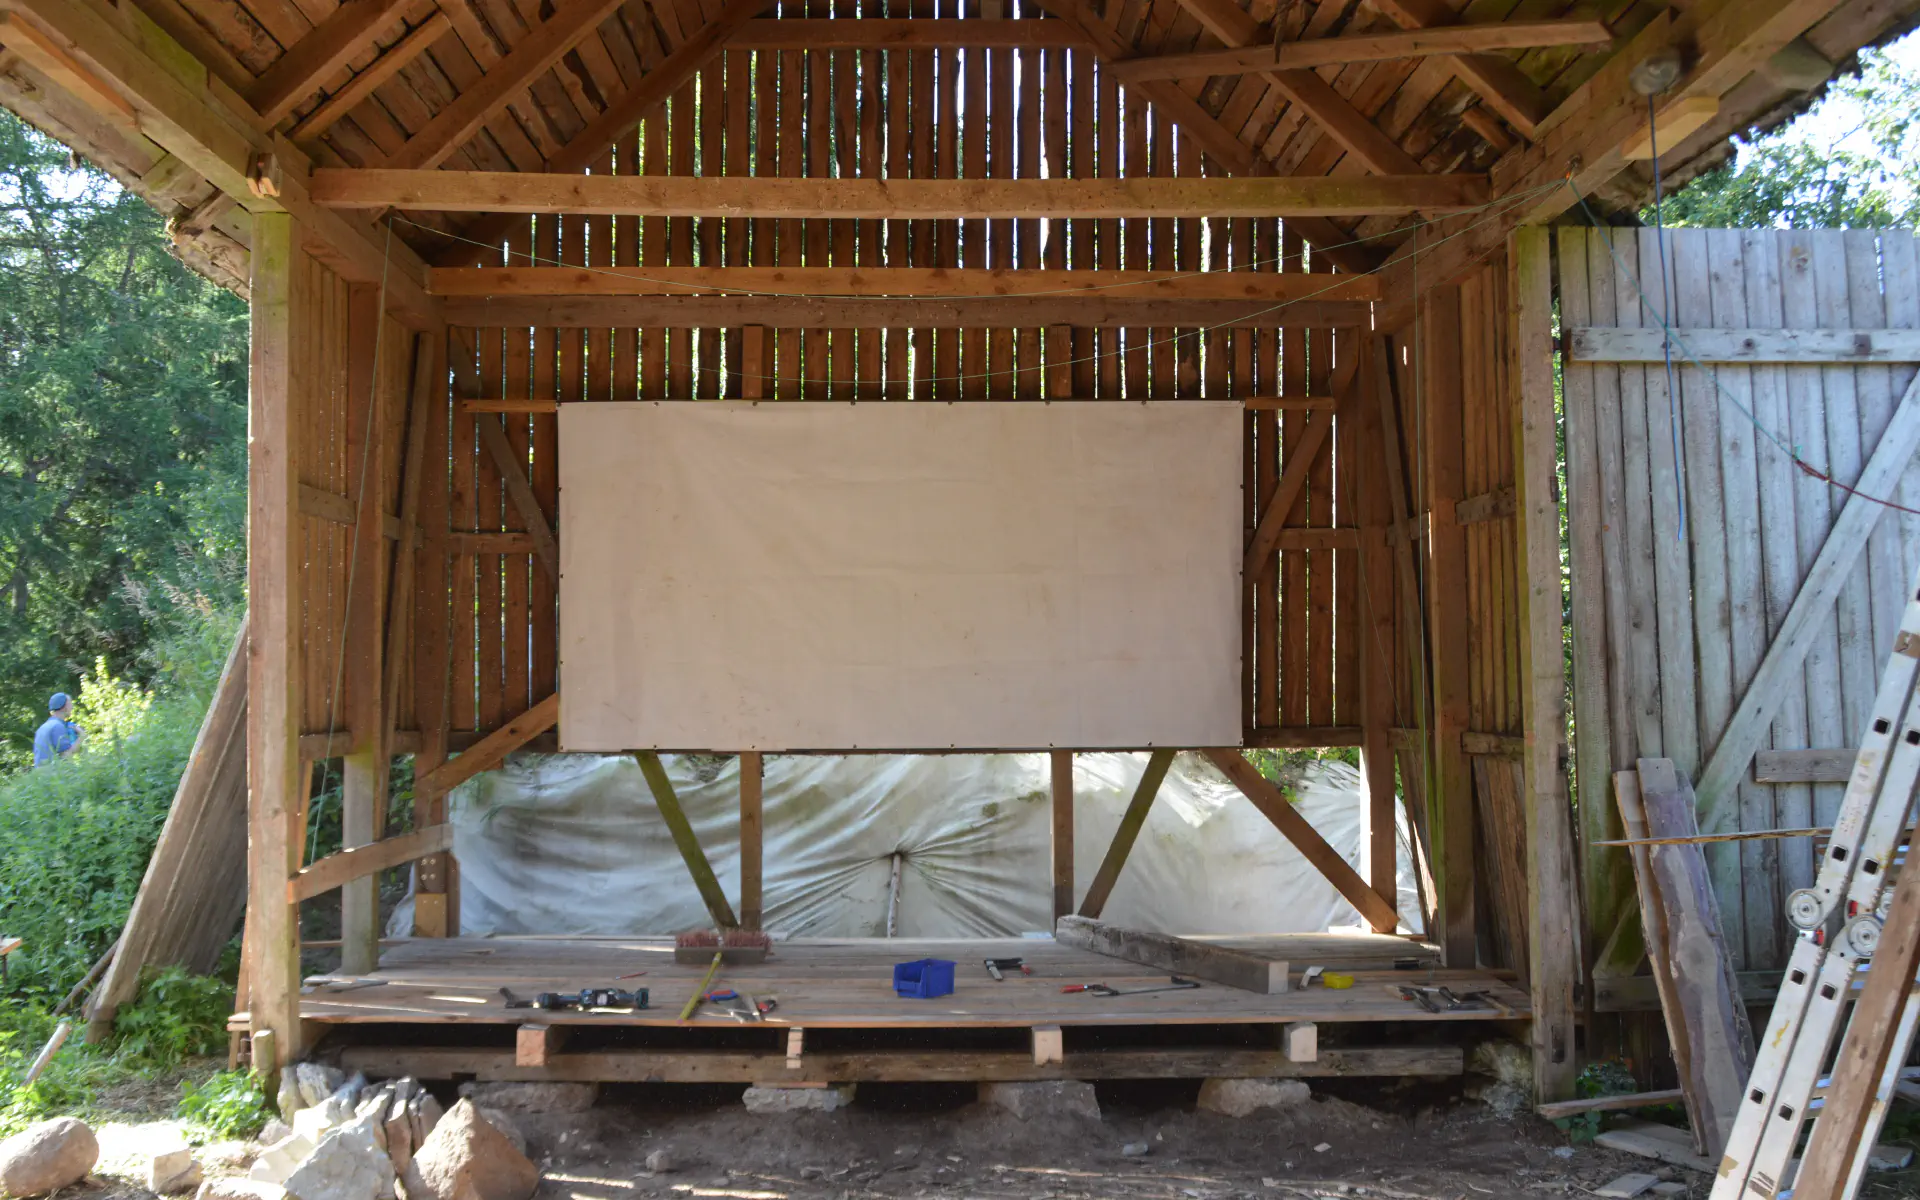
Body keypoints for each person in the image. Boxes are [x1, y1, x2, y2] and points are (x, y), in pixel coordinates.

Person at [32, 693, 78, 766]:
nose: (72, 707)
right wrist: (82, 736)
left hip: (41, 771)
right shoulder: (58, 726)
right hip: (53, 771)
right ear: (65, 706)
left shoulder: (43, 727)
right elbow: (66, 756)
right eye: (70, 704)